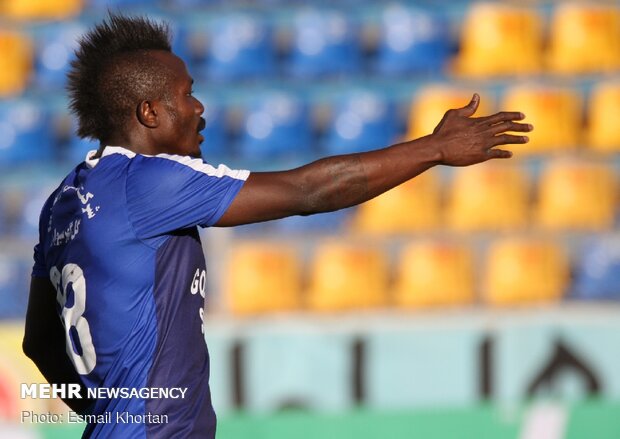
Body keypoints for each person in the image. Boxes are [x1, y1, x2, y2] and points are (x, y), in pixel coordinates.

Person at [22, 13, 532, 439]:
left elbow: (40, 345)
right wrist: (434, 148)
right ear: (149, 111)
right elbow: (309, 191)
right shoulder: (150, 181)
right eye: (187, 93)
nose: (200, 108)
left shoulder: (62, 201)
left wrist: (114, 417)